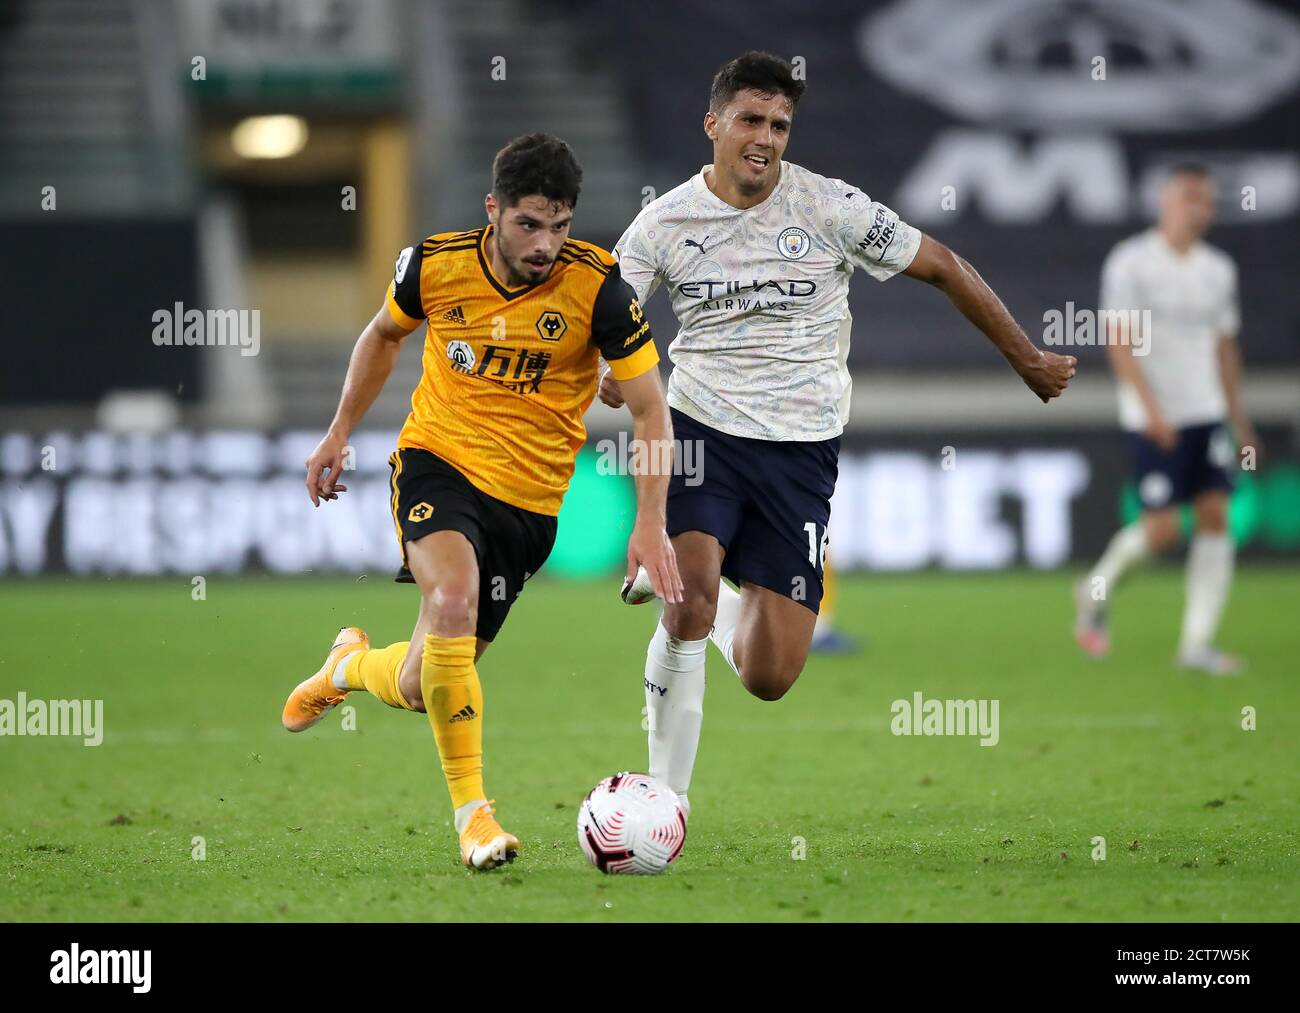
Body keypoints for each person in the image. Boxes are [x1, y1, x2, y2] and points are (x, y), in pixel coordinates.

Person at [600, 53, 1074, 815]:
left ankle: (691, 591)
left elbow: (946, 265)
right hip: (700, 431)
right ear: (713, 123)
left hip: (801, 452)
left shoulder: (833, 208)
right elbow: (609, 316)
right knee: (686, 607)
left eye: (780, 125)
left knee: (770, 675)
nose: (765, 138)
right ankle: (665, 802)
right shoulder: (662, 223)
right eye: (751, 120)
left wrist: (1026, 357)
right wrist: (607, 370)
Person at [283, 133, 682, 869]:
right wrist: (339, 432)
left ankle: (346, 667)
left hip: (527, 508)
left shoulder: (599, 290)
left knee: (418, 681)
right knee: (455, 601)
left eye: (560, 226)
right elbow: (381, 336)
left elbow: (652, 410)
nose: (546, 243)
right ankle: (475, 817)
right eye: (530, 223)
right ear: (492, 209)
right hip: (438, 463)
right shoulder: (433, 266)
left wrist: (650, 522)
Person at [1075, 164, 1259, 675]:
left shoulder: (1218, 269)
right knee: (1161, 532)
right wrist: (1151, 410)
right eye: (1188, 197)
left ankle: (1196, 644)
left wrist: (1239, 421)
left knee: (1215, 517)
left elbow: (1225, 348)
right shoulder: (1132, 262)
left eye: (1205, 200)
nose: (1198, 208)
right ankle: (1094, 591)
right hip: (1151, 417)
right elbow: (1119, 341)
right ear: (1165, 201)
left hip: (1206, 413)